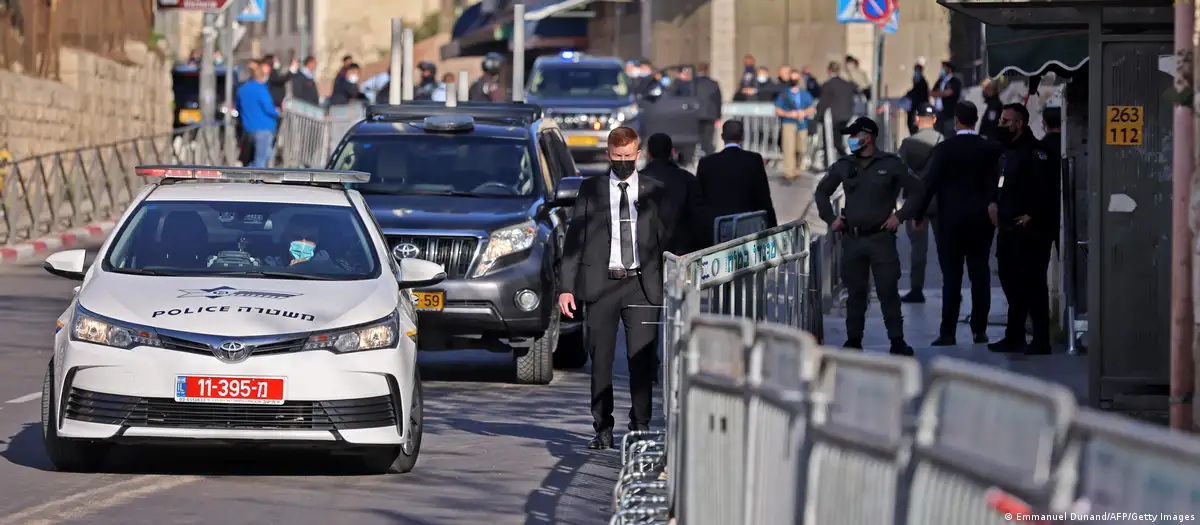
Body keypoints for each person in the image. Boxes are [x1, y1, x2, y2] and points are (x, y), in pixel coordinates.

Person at [558, 127, 668, 449]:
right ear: (608, 155)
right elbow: (574, 240)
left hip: (641, 284)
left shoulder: (654, 191)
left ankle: (640, 425)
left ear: (638, 154)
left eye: (628, 157)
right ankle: (602, 427)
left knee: (641, 360)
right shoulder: (591, 190)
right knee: (601, 360)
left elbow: (668, 237)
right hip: (601, 285)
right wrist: (567, 288)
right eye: (617, 157)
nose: (623, 162)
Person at [814, 117, 922, 355]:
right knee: (855, 293)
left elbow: (918, 191)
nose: (851, 140)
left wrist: (900, 216)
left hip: (881, 239)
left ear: (868, 137)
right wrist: (831, 219)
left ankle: (897, 341)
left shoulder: (891, 164)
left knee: (887, 292)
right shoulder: (844, 165)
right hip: (853, 239)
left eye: (855, 136)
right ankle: (853, 340)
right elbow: (822, 192)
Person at [914, 102, 1003, 344]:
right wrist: (995, 202)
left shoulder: (945, 149)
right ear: (975, 120)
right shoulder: (989, 148)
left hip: (951, 222)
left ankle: (948, 332)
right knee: (980, 274)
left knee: (951, 278)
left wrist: (918, 213)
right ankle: (979, 330)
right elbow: (998, 179)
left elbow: (929, 183)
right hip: (981, 220)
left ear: (956, 121)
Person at [989, 103, 1057, 355]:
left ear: (1019, 123)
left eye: (1006, 121)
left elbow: (1047, 189)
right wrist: (993, 202)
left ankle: (1041, 339)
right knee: (1010, 281)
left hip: (1029, 232)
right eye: (1001, 120)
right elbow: (999, 181)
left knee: (1032, 284)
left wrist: (1032, 214)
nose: (1001, 125)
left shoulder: (1035, 152)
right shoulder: (1007, 152)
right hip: (1007, 229)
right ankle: (1014, 335)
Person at [696, 120, 778, 244]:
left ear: (722, 137)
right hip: (747, 228)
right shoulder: (753, 160)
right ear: (742, 137)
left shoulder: (706, 163)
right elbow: (763, 197)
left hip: (716, 231)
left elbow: (699, 200)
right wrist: (773, 228)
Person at [897, 103, 944, 304]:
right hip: (940, 200)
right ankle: (952, 287)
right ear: (934, 120)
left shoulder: (908, 143)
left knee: (918, 249)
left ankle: (917, 290)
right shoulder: (942, 140)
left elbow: (900, 173)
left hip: (916, 201)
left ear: (917, 119)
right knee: (945, 247)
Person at [640, 133, 707, 254]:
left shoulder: (636, 180)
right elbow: (698, 218)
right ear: (672, 152)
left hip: (645, 252)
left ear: (648, 153)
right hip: (681, 252)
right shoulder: (687, 179)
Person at [775, 70, 818, 180]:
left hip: (802, 123)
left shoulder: (805, 94)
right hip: (788, 123)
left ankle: (797, 168)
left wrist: (804, 113)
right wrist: (788, 114)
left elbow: (812, 107)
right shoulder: (784, 93)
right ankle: (789, 172)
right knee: (789, 148)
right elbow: (778, 110)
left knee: (801, 148)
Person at [236, 65, 280, 168]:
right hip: (264, 127)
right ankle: (258, 183)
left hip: (248, 128)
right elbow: (269, 108)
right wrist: (277, 112)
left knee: (249, 158)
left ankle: (249, 181)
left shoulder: (242, 89)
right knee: (261, 158)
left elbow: (238, 107)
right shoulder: (262, 89)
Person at [816, 62, 859, 158]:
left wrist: (819, 117)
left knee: (829, 141)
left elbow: (824, 103)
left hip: (833, 117)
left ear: (829, 70)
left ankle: (831, 162)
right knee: (838, 140)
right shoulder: (846, 84)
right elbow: (855, 89)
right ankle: (843, 157)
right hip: (847, 116)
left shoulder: (828, 85)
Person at [931, 61, 962, 136]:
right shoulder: (940, 81)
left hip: (949, 114)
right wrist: (941, 93)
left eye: (944, 68)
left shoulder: (955, 81)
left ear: (949, 69)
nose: (942, 69)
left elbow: (949, 93)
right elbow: (932, 93)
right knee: (938, 134)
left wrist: (940, 93)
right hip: (938, 113)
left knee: (949, 134)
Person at [904, 62, 930, 136]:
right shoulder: (917, 83)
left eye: (917, 71)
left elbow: (919, 94)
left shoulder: (922, 83)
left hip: (919, 109)